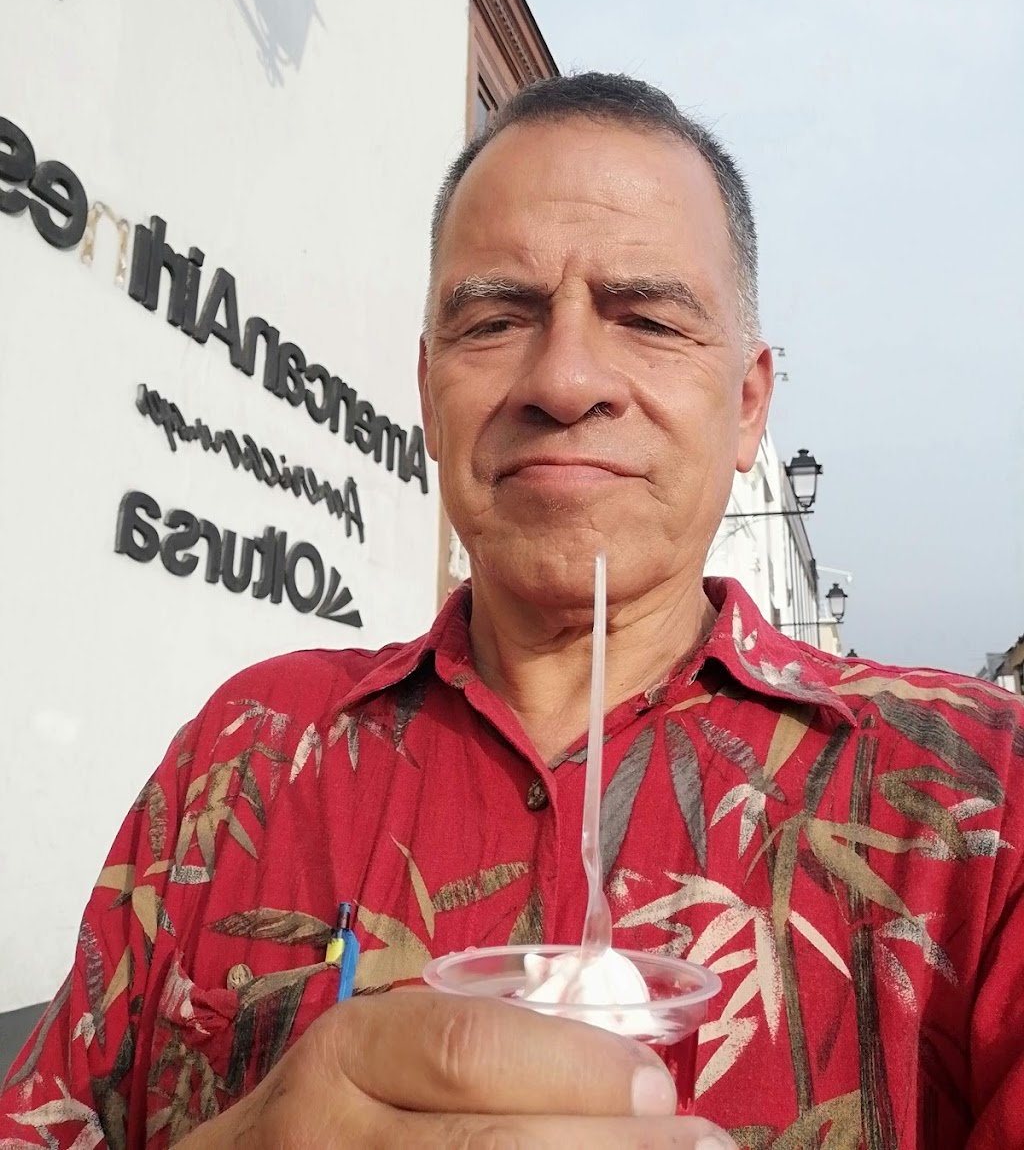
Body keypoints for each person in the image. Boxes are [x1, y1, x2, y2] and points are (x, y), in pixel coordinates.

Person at [2, 73, 1021, 1150]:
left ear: (747, 405)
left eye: (648, 320)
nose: (566, 380)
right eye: (494, 321)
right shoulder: (244, 753)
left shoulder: (978, 796)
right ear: (428, 393)